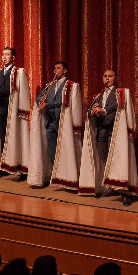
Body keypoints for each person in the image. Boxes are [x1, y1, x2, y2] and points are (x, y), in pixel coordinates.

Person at [79, 69, 138, 203]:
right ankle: (112, 186)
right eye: (105, 76)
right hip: (101, 132)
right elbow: (89, 112)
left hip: (115, 132)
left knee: (117, 160)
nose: (107, 78)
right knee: (104, 159)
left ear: (115, 78)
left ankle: (125, 192)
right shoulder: (99, 96)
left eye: (110, 76)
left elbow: (117, 105)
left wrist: (103, 110)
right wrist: (92, 111)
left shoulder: (120, 93)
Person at [27, 61, 83, 190]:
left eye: (58, 68)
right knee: (52, 151)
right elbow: (39, 97)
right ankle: (55, 176)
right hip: (50, 122)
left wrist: (49, 104)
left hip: (63, 123)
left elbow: (64, 102)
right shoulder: (50, 85)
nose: (55, 71)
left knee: (65, 151)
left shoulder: (71, 86)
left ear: (65, 71)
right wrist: (40, 99)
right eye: (54, 68)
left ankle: (68, 178)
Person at [0, 47, 31, 179]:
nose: (4, 57)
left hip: (13, 110)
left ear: (13, 57)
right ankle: (5, 166)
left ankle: (20, 168)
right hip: (1, 110)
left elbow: (15, 90)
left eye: (7, 55)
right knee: (3, 139)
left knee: (15, 139)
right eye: (3, 55)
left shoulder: (18, 72)